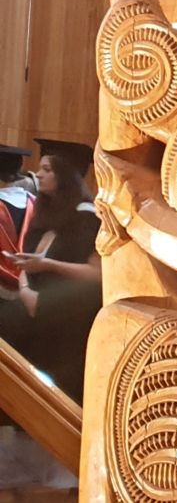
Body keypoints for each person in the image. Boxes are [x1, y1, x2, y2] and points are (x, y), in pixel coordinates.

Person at [0, 154, 102, 402]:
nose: (39, 174)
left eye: (47, 169)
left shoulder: (87, 217)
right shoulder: (45, 214)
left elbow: (97, 274)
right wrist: (25, 289)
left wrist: (48, 265)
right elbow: (31, 260)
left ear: (65, 175)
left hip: (67, 311)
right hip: (35, 301)